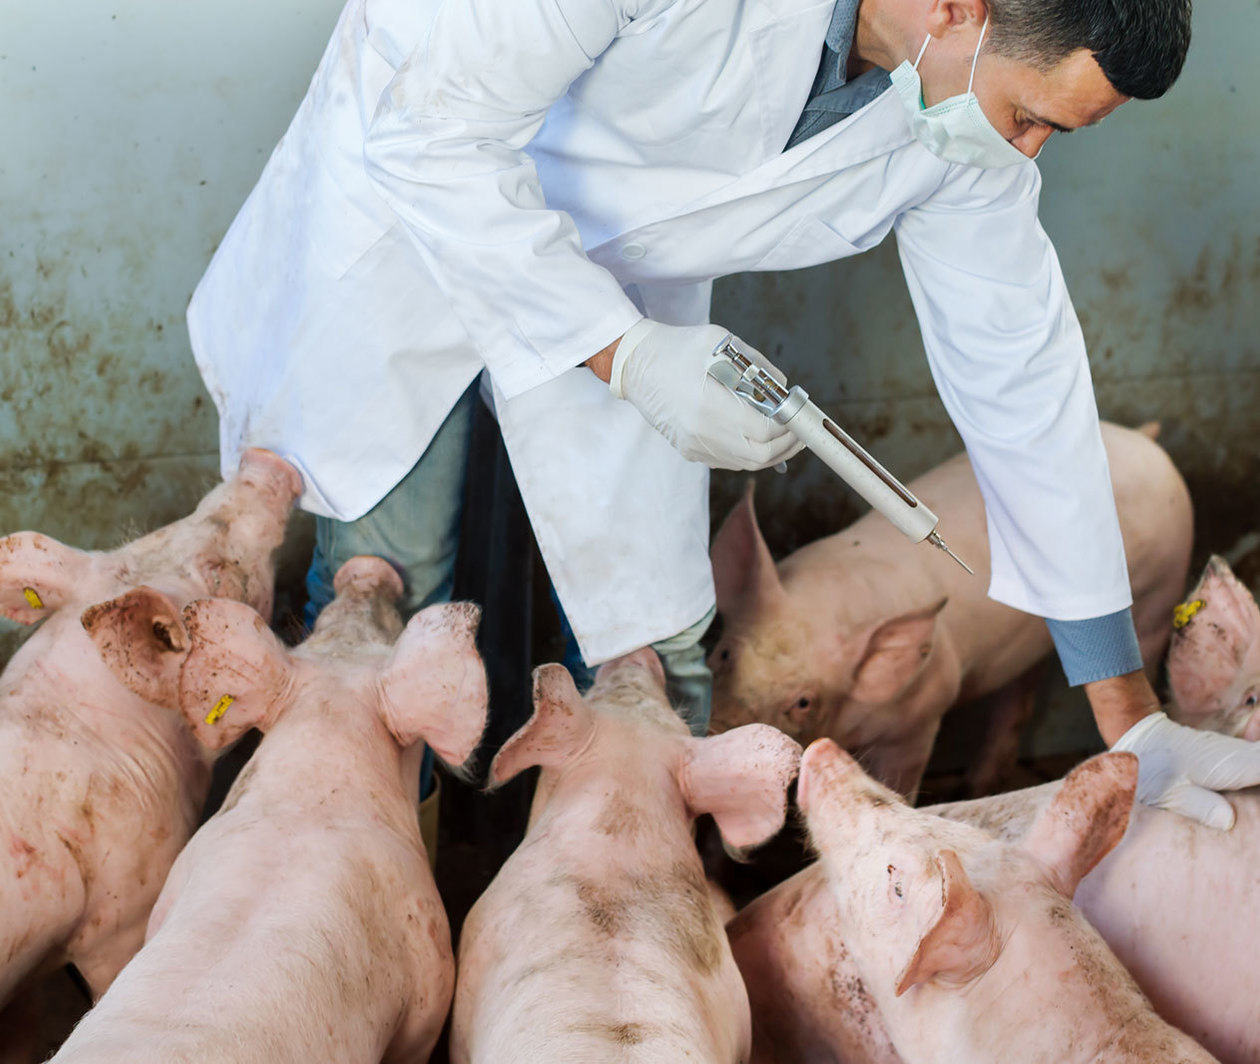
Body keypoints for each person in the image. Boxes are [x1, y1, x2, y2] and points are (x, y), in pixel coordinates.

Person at [188, 0, 1260, 828]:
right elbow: (429, 136)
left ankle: (604, 925)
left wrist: (1136, 727)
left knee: (659, 648)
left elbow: (1024, 380)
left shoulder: (957, 132)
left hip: (621, 272)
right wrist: (629, 355)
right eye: (1032, 115)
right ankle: (377, 902)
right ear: (958, 7)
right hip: (407, 223)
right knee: (387, 622)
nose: (1028, 151)